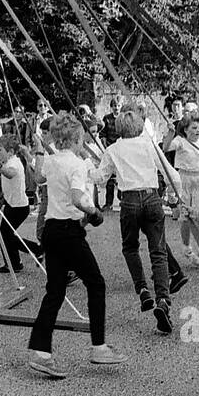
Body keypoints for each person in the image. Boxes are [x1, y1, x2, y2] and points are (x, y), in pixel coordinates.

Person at [26, 114, 127, 379]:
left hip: (50, 229)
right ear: (77, 138)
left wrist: (37, 151)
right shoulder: (79, 164)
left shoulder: (50, 160)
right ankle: (99, 346)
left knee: (55, 291)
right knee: (96, 282)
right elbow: (76, 196)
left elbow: (37, 179)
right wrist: (92, 211)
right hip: (69, 230)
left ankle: (40, 351)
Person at [90, 109, 183, 333]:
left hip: (129, 201)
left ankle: (142, 290)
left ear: (118, 128)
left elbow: (100, 179)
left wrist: (86, 166)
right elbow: (174, 176)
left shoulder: (112, 150)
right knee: (158, 250)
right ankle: (163, 300)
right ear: (140, 126)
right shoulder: (149, 146)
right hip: (152, 198)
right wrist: (174, 198)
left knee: (130, 247)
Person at [166, 115, 199, 263]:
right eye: (193, 128)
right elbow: (166, 147)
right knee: (185, 217)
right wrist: (170, 133)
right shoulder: (180, 141)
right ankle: (186, 248)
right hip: (183, 179)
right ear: (185, 129)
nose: (197, 130)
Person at [0, 133, 42, 280]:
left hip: (18, 206)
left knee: (6, 235)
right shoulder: (10, 161)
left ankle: (36, 250)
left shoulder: (13, 162)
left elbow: (10, 174)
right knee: (6, 234)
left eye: (0, 150)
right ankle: (15, 263)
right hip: (12, 204)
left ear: (10, 152)